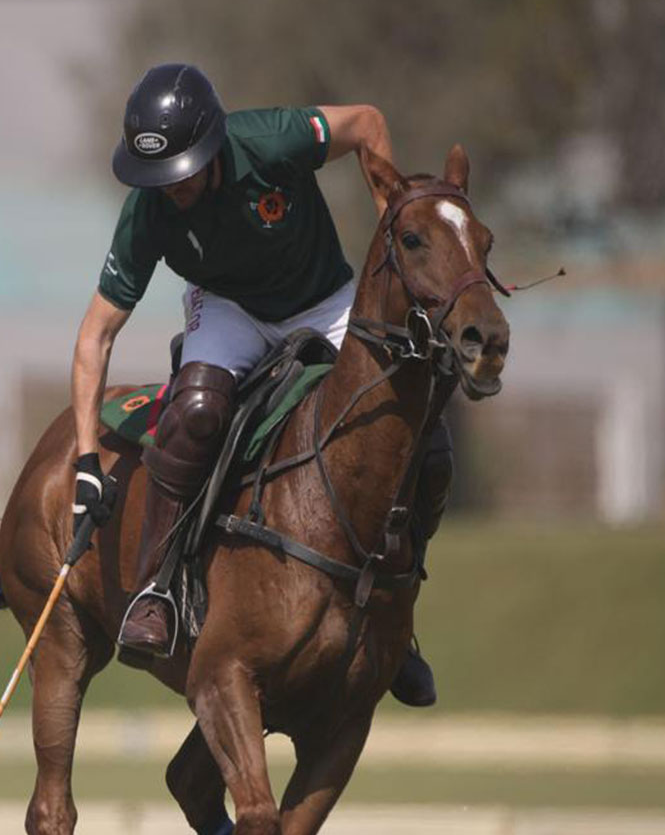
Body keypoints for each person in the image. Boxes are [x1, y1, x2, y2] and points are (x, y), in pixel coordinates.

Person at [69, 63, 447, 705]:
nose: (173, 188)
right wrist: (83, 461)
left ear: (214, 145)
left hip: (324, 301)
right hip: (230, 308)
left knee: (424, 446)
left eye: (182, 171)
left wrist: (389, 225)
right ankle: (158, 590)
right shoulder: (149, 212)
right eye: (159, 177)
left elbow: (368, 123)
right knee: (192, 413)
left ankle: (397, 617)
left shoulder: (272, 139)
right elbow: (94, 338)